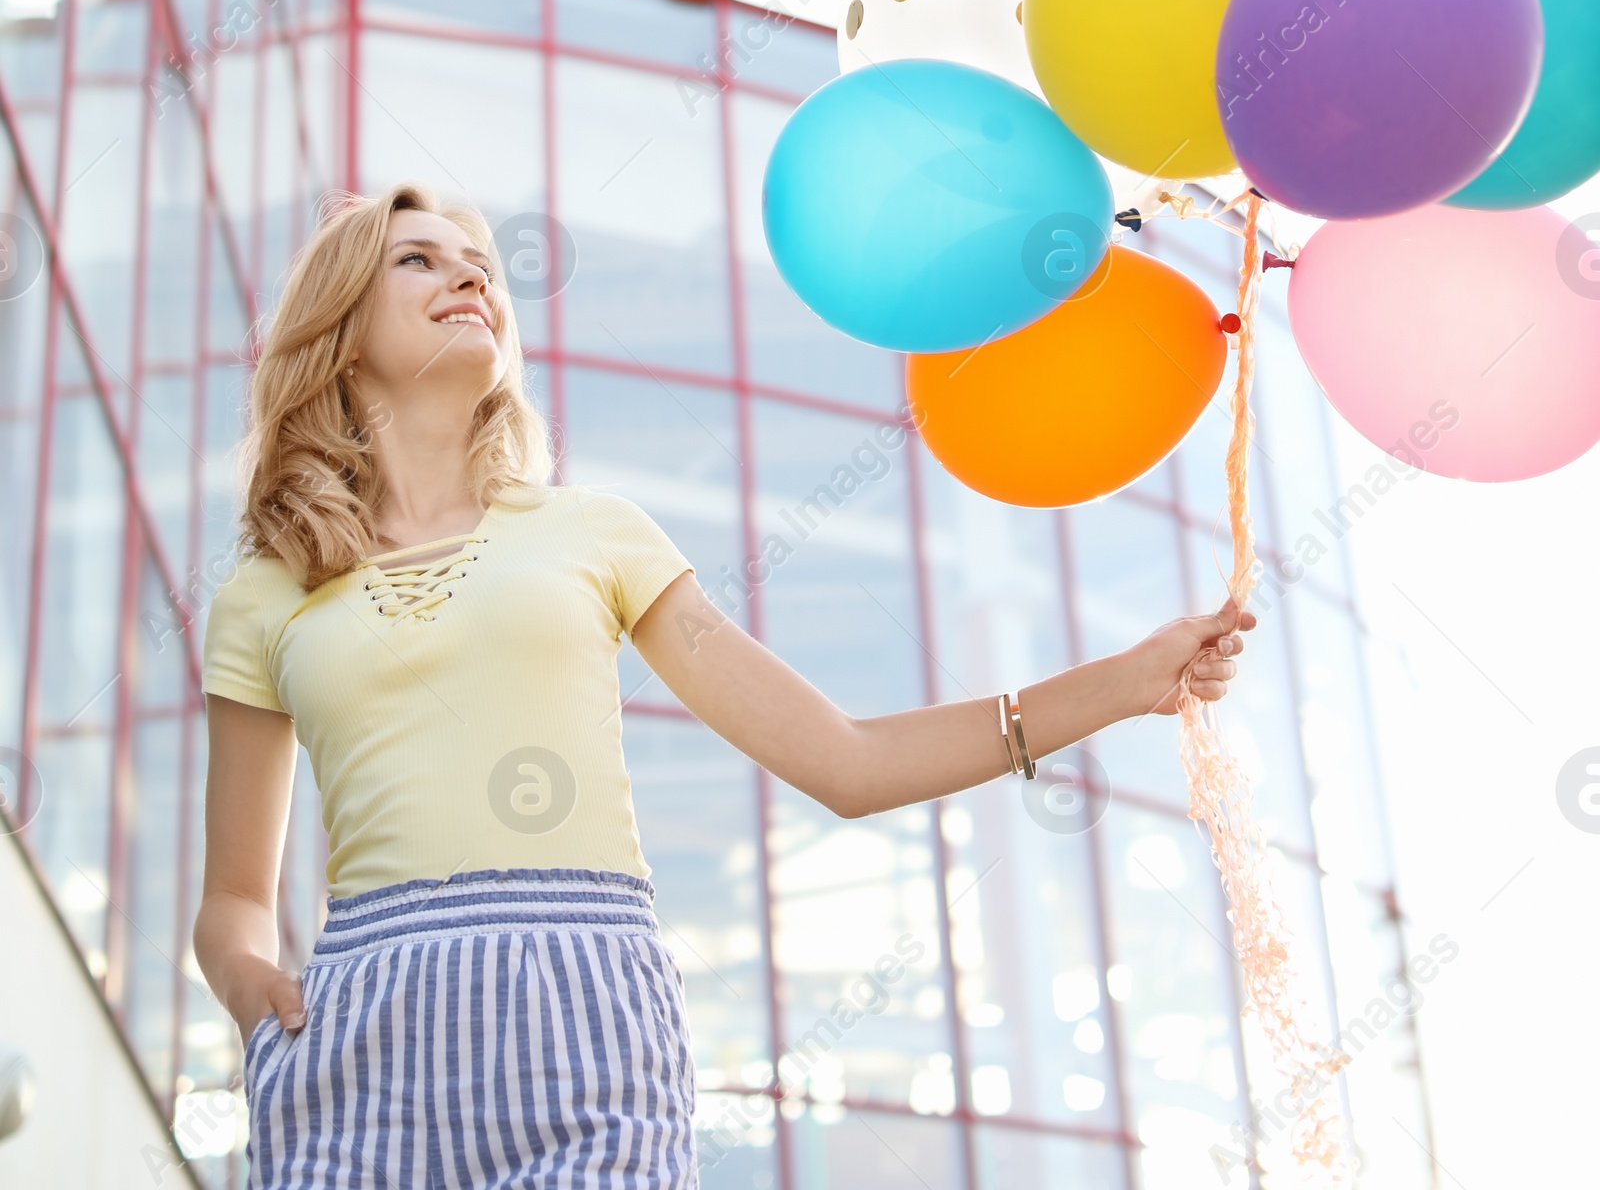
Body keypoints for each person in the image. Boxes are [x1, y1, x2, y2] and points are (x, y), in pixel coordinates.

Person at [196, 184, 1252, 1190]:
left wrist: (1123, 683)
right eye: (418, 260)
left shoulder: (592, 532)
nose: (471, 278)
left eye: (482, 267)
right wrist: (251, 990)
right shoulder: (268, 592)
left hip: (585, 1019)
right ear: (336, 328)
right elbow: (236, 898)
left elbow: (848, 762)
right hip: (358, 1037)